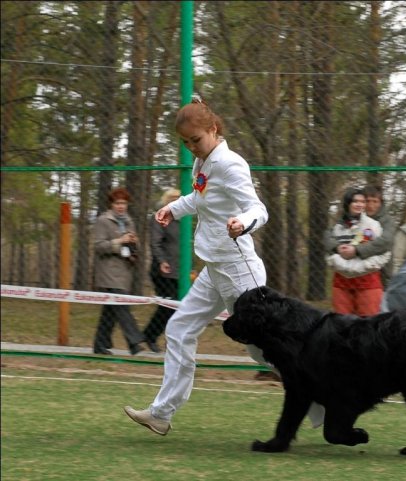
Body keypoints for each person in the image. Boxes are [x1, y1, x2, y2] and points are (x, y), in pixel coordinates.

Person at [124, 97, 324, 435]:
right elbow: (200, 200)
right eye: (185, 143)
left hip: (239, 272)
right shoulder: (203, 163)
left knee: (263, 353)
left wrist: (242, 223)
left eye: (195, 140)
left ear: (213, 129)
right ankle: (161, 413)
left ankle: (323, 401)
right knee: (179, 329)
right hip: (215, 269)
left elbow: (258, 208)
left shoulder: (231, 164)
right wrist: (174, 208)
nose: (191, 148)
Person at [92, 187, 146, 356]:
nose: (121, 206)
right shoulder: (103, 221)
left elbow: (133, 246)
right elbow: (98, 246)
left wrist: (133, 246)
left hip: (124, 272)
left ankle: (100, 344)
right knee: (122, 306)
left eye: (124, 203)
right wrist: (119, 241)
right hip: (108, 272)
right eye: (118, 203)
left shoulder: (129, 222)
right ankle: (134, 342)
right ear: (111, 204)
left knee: (111, 309)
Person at [325, 187, 390, 316]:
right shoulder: (337, 228)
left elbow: (385, 253)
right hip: (341, 282)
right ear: (348, 203)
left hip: (368, 281)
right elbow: (329, 252)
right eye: (355, 201)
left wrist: (363, 267)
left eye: (362, 201)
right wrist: (341, 265)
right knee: (342, 325)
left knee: (367, 325)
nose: (360, 204)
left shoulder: (374, 226)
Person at [142, 188, 181, 353]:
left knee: (177, 306)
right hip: (162, 270)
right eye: (172, 198)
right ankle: (150, 335)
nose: (175, 201)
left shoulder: (182, 220)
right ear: (166, 201)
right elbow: (155, 243)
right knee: (168, 305)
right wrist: (162, 261)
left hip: (179, 270)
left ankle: (167, 339)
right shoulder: (159, 217)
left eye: (178, 199)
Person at [334, 184, 395, 287]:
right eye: (367, 201)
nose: (370, 205)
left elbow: (385, 242)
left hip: (381, 271)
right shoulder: (349, 220)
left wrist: (357, 250)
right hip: (352, 271)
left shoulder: (387, 221)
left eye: (375, 201)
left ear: (381, 203)